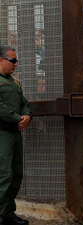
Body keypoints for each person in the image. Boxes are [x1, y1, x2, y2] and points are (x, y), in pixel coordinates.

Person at [0, 45, 32, 225]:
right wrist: (17, 118)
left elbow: (24, 102)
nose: (16, 64)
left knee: (15, 175)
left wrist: (27, 115)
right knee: (3, 176)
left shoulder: (13, 82)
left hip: (13, 134)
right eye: (13, 60)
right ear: (1, 60)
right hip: (2, 133)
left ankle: (8, 215)